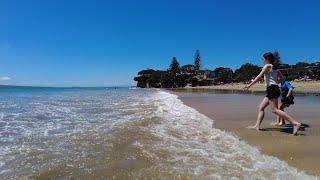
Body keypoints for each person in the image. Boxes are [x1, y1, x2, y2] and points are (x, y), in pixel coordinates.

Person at [244, 52, 301, 135]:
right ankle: (257, 126)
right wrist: (275, 82)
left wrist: (249, 85)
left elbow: (259, 76)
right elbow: (282, 79)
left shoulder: (267, 66)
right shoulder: (275, 68)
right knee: (261, 107)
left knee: (274, 110)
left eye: (263, 59)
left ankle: (295, 123)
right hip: (274, 89)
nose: (262, 60)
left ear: (267, 59)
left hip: (272, 89)